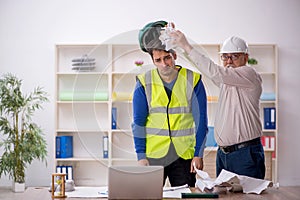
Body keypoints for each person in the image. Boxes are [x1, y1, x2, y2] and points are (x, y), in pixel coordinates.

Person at [169, 27, 265, 179]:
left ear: (245, 58)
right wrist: (177, 46)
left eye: (234, 56)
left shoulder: (249, 74)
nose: (229, 61)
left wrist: (186, 44)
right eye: (225, 57)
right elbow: (205, 69)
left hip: (245, 154)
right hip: (224, 154)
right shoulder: (227, 81)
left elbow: (214, 71)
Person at [131, 20, 208, 187]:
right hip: (154, 155)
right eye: (158, 60)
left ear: (175, 55)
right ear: (153, 60)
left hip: (184, 157)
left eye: (167, 58)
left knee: (185, 197)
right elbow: (138, 123)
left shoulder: (193, 80)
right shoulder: (144, 83)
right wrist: (141, 156)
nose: (164, 64)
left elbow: (201, 121)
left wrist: (198, 154)